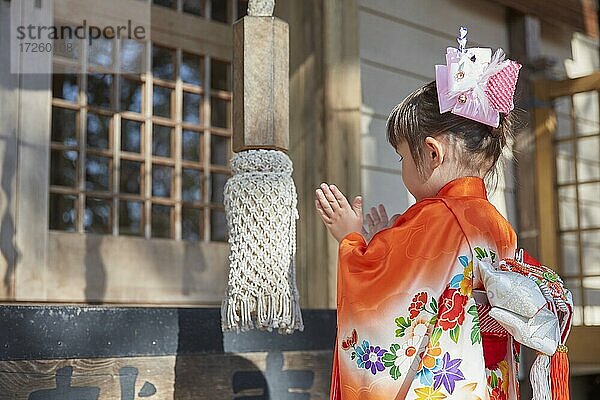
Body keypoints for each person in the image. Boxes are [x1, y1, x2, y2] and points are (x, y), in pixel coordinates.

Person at [315, 38, 522, 400]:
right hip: (487, 378)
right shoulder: (494, 222)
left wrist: (353, 242)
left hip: (446, 381)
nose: (403, 169)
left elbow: (382, 293)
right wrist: (387, 240)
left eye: (402, 158)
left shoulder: (437, 216)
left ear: (431, 152)